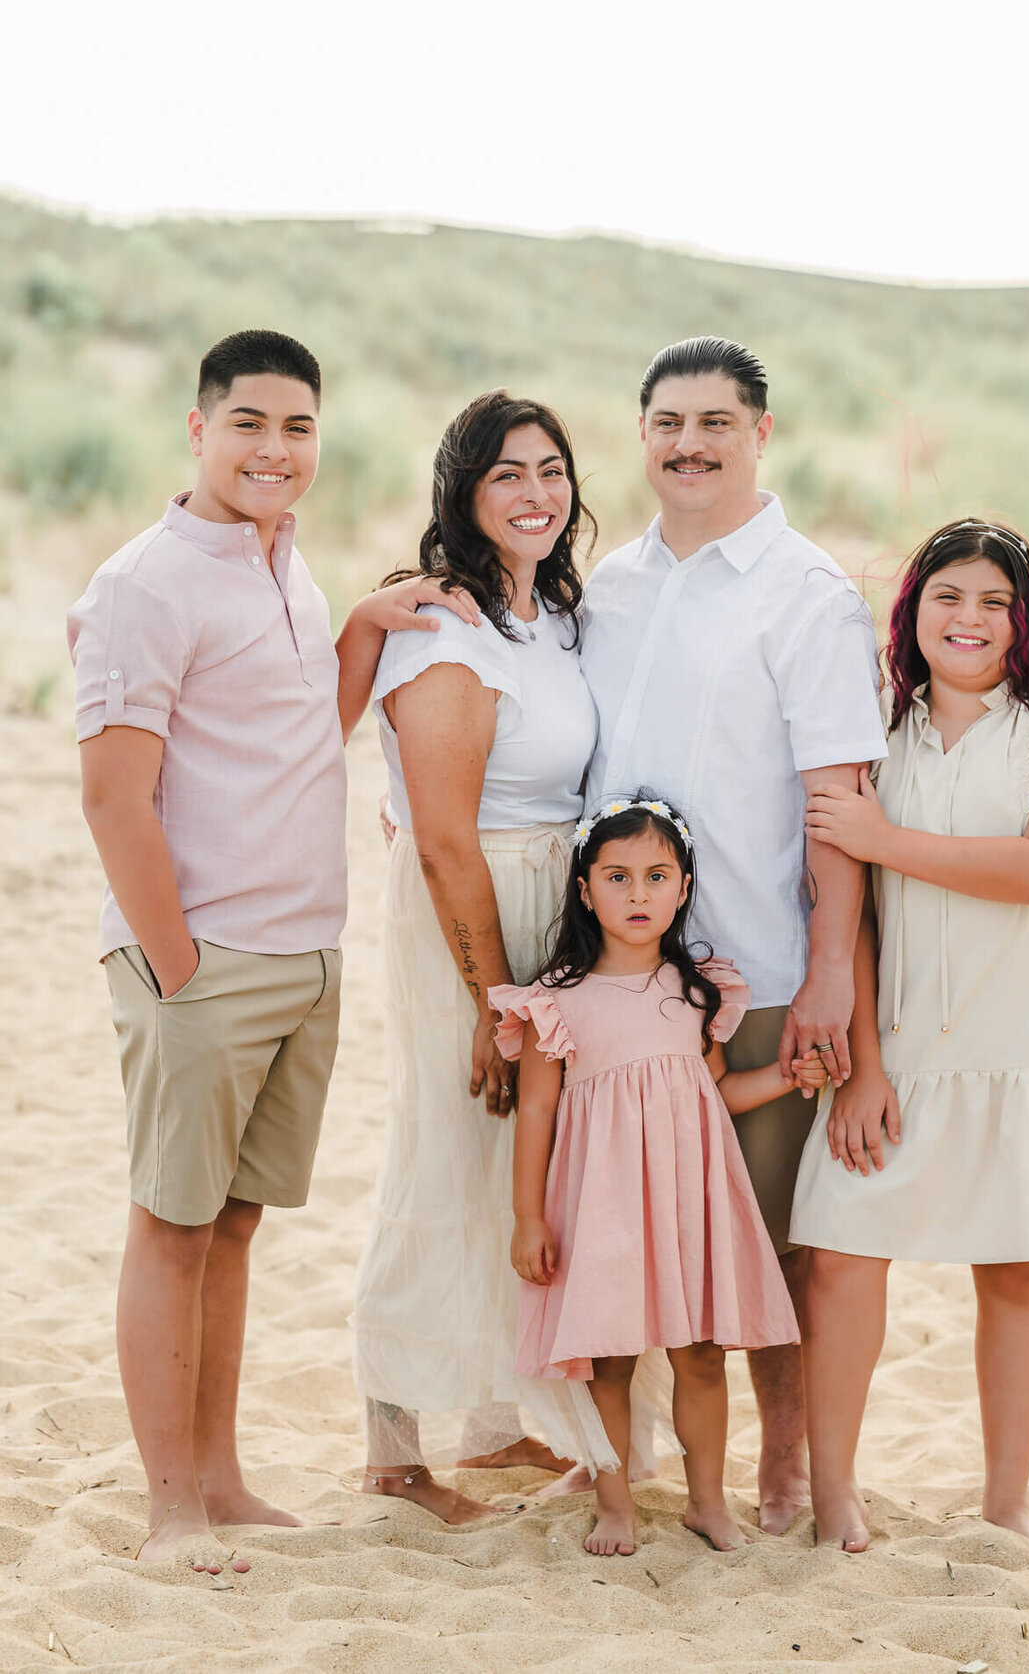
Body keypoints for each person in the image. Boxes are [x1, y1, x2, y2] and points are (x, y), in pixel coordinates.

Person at [67, 329, 466, 1566]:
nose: (273, 449)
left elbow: (298, 737)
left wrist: (352, 625)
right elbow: (112, 799)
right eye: (248, 423)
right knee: (171, 1225)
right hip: (205, 964)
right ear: (198, 429)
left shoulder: (281, 562)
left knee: (234, 1225)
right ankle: (170, 1504)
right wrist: (178, 969)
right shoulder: (147, 582)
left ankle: (223, 1478)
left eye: (296, 427)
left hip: (303, 956)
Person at [792, 518, 1029, 1554]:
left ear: (1025, 619)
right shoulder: (872, 724)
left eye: (996, 600)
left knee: (1016, 1269)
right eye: (950, 594)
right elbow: (848, 901)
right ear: (913, 609)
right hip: (903, 1041)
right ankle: (836, 1495)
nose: (972, 618)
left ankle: (1006, 1503)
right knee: (845, 1254)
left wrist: (886, 836)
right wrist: (861, 1061)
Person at [578, 337, 888, 1530]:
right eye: (668, 421)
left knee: (774, 1241)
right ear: (643, 432)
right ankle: (629, 1447)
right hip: (625, 975)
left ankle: (787, 1462)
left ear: (762, 433)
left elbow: (835, 805)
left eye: (716, 421)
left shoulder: (805, 593)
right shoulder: (611, 583)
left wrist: (825, 977)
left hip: (753, 963)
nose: (690, 443)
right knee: (633, 1224)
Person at [348, 391, 606, 1524]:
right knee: (444, 1151)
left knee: (524, 1166)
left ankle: (496, 1426)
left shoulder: (547, 611)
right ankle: (393, 1450)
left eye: (551, 470)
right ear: (462, 492)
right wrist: (493, 997)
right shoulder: (443, 628)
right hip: (476, 901)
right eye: (507, 474)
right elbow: (445, 836)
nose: (536, 493)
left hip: (554, 897)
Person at [491, 797, 827, 1557]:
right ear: (584, 889)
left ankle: (707, 1502)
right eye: (617, 877)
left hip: (685, 1202)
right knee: (608, 1359)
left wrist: (786, 1074)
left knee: (701, 1355)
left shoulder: (696, 990)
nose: (637, 894)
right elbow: (535, 1117)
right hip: (603, 1207)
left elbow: (717, 1093)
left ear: (682, 889)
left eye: (656, 876)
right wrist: (528, 1218)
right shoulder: (555, 1005)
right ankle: (615, 1506)